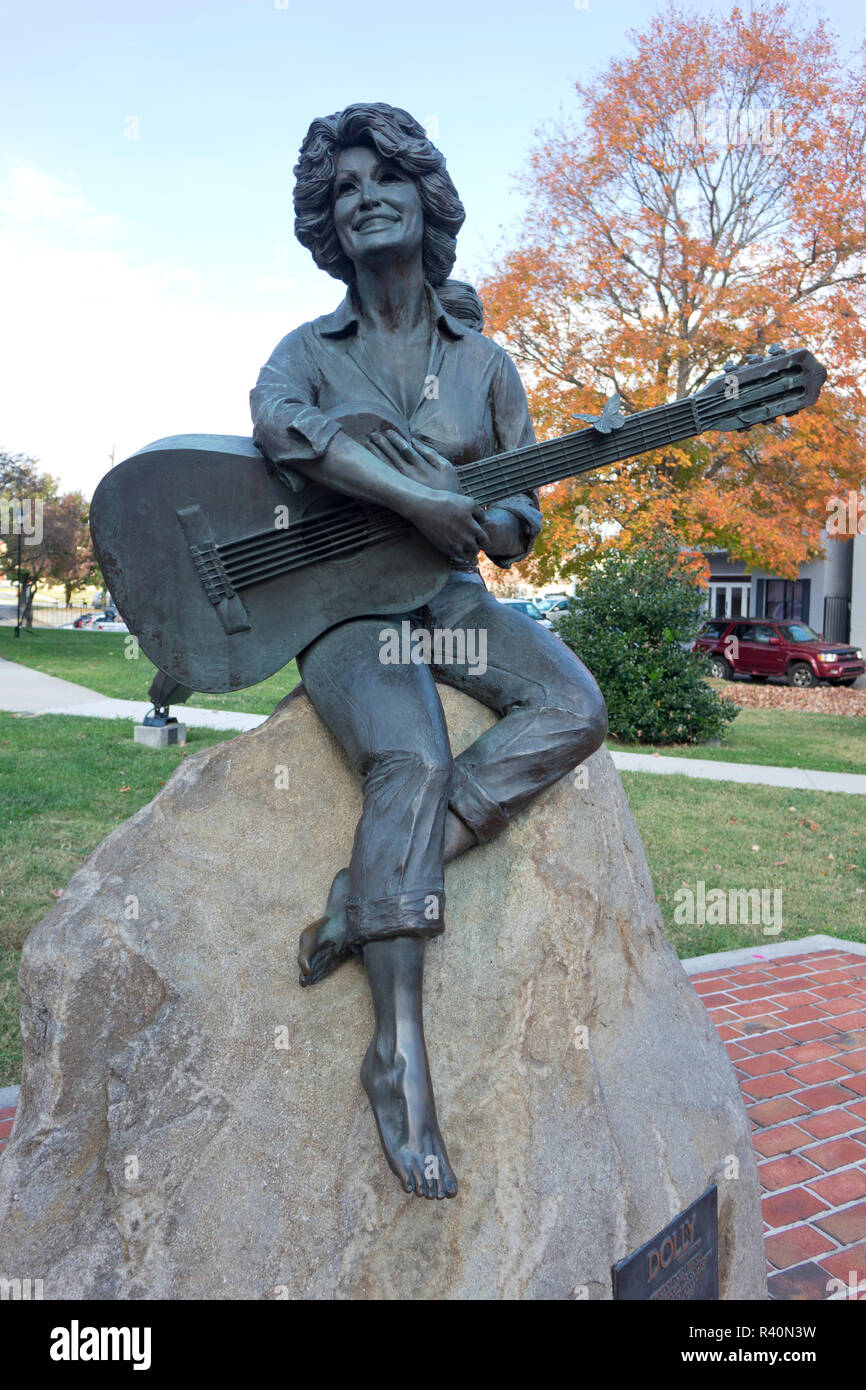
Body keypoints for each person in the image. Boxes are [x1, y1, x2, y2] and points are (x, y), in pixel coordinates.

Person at [250, 103, 607, 1200]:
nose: (361, 194)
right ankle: (396, 1055)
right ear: (329, 220)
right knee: (407, 755)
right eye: (341, 186)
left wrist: (488, 520)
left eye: (381, 178)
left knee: (570, 705)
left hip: (442, 596)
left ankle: (368, 897)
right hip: (345, 612)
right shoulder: (309, 351)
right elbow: (282, 428)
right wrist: (410, 493)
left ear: (422, 198)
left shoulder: (485, 362)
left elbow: (518, 521)